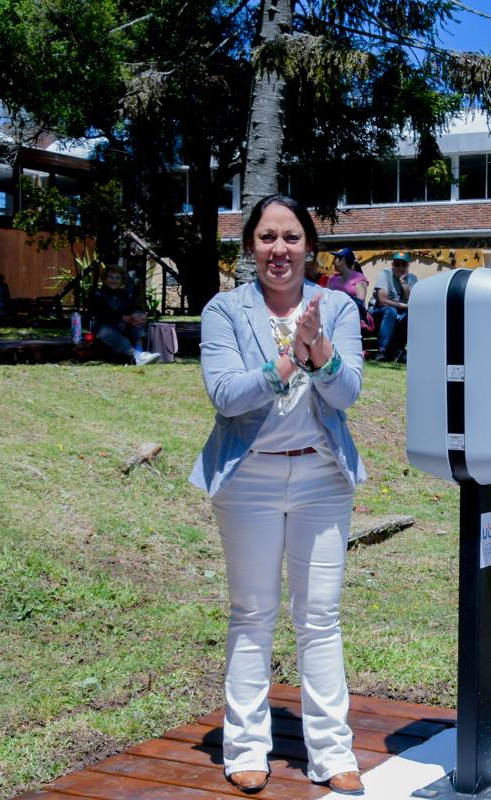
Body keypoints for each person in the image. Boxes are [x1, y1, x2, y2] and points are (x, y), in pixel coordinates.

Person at [189, 194, 367, 796]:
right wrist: (291, 357)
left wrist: (321, 352)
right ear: (249, 248)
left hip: (321, 478)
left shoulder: (336, 305)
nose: (280, 250)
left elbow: (347, 394)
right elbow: (227, 394)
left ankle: (332, 752)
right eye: (267, 238)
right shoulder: (224, 311)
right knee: (253, 613)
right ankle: (244, 749)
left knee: (320, 617)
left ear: (309, 246)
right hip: (249, 481)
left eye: (291, 237)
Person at [87, 264, 160, 366]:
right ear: (104, 279)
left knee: (137, 315)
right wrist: (124, 318)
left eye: (117, 278)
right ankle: (138, 355)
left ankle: (141, 351)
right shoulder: (97, 294)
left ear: (121, 281)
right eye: (111, 277)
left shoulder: (124, 294)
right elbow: (104, 313)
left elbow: (134, 307)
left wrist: (141, 316)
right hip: (105, 326)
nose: (114, 280)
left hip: (124, 325)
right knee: (107, 332)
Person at [372, 251, 417, 362]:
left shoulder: (412, 278)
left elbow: (414, 302)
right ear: (392, 265)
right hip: (378, 312)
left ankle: (400, 350)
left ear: (408, 266)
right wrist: (407, 306)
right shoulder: (385, 274)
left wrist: (403, 283)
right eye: (397, 264)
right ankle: (382, 351)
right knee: (391, 310)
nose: (400, 267)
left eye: (404, 264)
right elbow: (382, 301)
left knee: (411, 314)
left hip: (399, 315)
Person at [326, 247, 372, 329]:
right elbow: (326, 299)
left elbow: (360, 301)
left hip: (352, 314)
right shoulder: (332, 279)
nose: (333, 262)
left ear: (343, 260)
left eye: (335, 258)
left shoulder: (359, 278)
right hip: (333, 314)